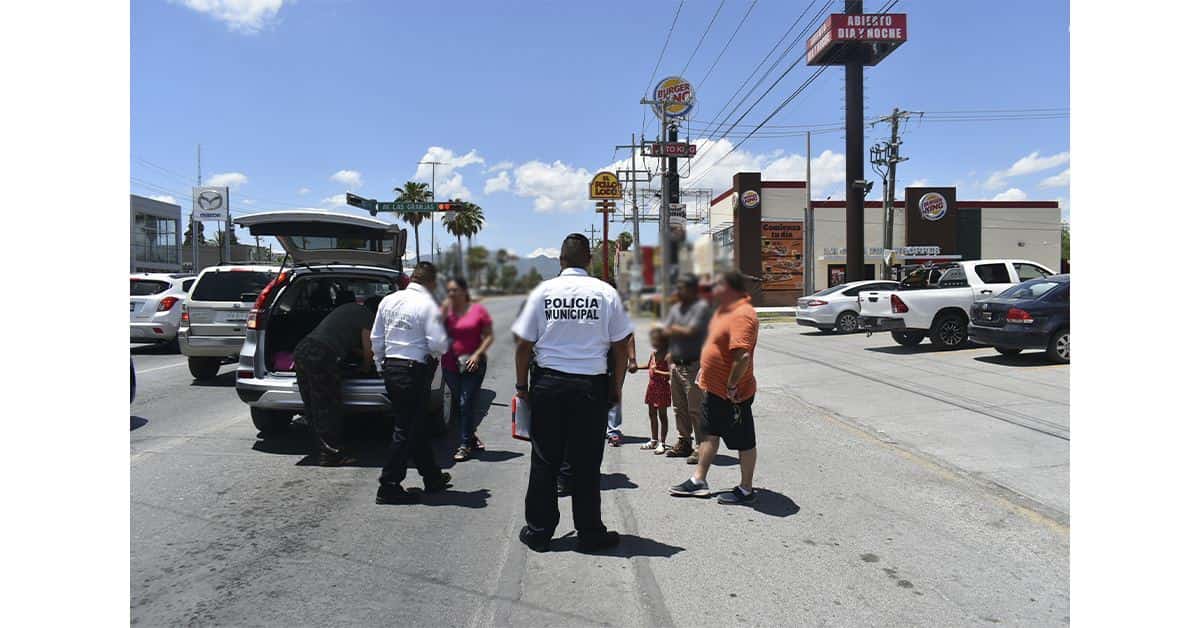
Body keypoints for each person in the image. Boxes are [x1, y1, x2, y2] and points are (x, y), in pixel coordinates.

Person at [512, 233, 634, 552]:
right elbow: (621, 346)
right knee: (586, 463)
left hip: (548, 385)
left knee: (544, 460)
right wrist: (616, 387)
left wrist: (521, 387)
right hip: (589, 388)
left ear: (561, 260)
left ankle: (539, 531)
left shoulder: (543, 292)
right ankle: (590, 533)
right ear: (589, 261)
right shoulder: (605, 293)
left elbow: (523, 344)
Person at [669, 271, 760, 505]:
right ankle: (699, 480)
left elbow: (742, 357)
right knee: (709, 434)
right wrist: (705, 370)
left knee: (744, 441)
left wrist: (731, 385)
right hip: (713, 388)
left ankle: (746, 488)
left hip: (733, 394)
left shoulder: (742, 314)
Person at [371, 262, 453, 505]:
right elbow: (438, 344)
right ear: (431, 282)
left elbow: (377, 337)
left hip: (392, 368)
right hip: (413, 371)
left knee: (415, 425)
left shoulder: (389, 300)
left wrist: (379, 364)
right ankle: (389, 485)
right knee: (406, 429)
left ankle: (432, 477)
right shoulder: (428, 305)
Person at [293, 294, 383, 466]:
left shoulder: (349, 309)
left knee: (313, 405)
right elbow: (368, 349)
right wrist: (366, 367)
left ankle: (320, 447)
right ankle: (331, 455)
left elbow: (346, 339)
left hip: (303, 349)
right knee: (327, 405)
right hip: (322, 355)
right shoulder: (368, 316)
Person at [662, 274, 714, 464]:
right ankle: (684, 441)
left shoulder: (701, 309)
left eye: (682, 288)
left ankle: (701, 446)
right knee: (679, 407)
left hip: (694, 364)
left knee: (695, 408)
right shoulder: (676, 309)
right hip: (677, 363)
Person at [441, 277, 494, 462]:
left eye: (454, 290)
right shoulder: (446, 311)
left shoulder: (478, 310)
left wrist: (477, 355)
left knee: (465, 402)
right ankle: (471, 436)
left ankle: (464, 445)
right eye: (449, 291)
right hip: (449, 365)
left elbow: (488, 336)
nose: (451, 294)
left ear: (464, 291)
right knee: (462, 403)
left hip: (474, 364)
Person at [639, 326, 672, 455]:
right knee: (652, 414)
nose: (653, 343)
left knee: (662, 416)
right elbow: (649, 366)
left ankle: (662, 442)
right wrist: (636, 367)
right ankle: (653, 439)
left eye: (656, 341)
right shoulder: (653, 354)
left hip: (662, 388)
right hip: (652, 387)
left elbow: (671, 373)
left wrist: (657, 371)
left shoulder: (668, 356)